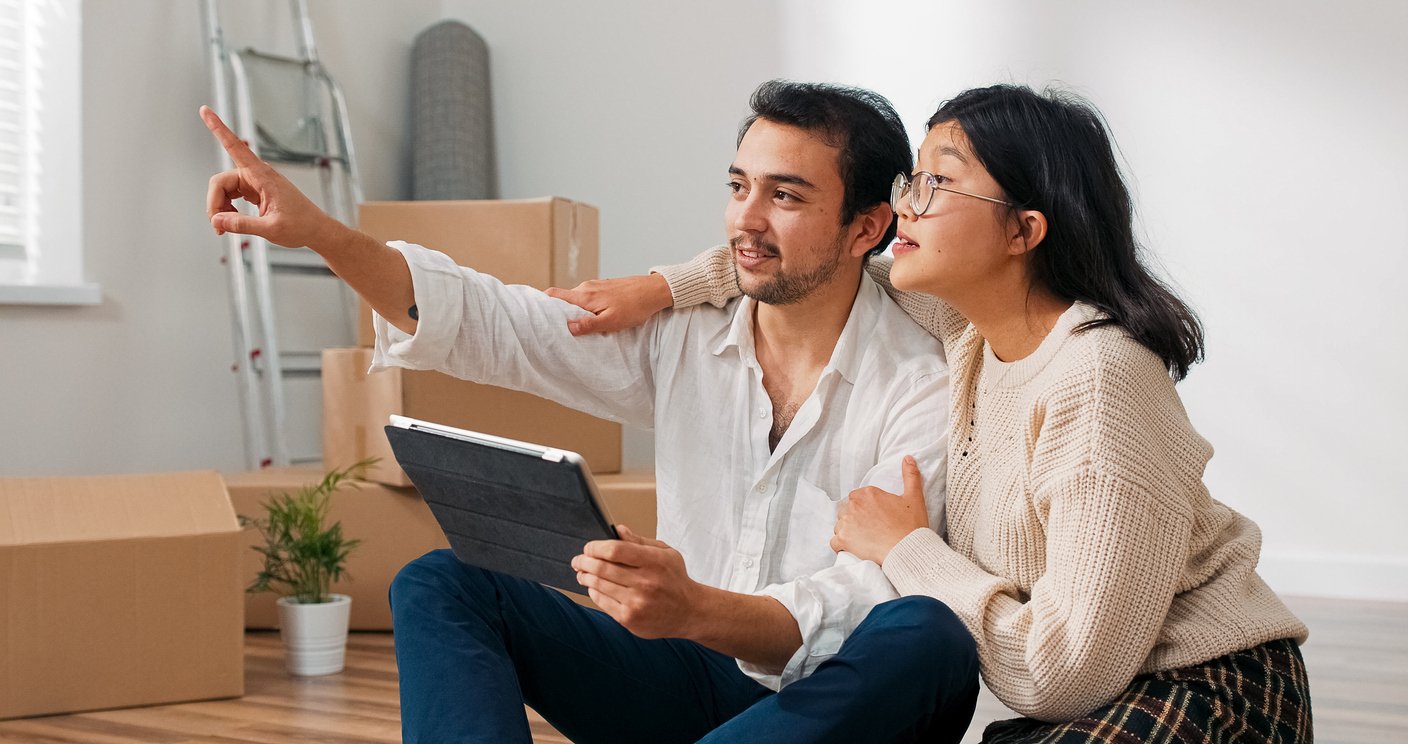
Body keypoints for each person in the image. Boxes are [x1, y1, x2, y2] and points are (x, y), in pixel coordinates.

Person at [201, 80, 980, 743]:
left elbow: (859, 601)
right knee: (441, 582)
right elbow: (489, 321)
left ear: (867, 227)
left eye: (785, 196)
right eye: (739, 186)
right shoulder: (681, 337)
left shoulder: (922, 380)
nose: (746, 218)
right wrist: (319, 235)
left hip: (825, 708)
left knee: (925, 636)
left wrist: (695, 607)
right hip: (679, 677)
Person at [558, 84, 1313, 743]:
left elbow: (1059, 678)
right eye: (909, 180)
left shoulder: (1097, 378)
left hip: (1203, 694)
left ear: (1023, 231)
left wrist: (908, 548)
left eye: (936, 185)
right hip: (1094, 699)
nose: (903, 206)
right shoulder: (966, 329)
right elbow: (801, 252)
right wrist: (663, 286)